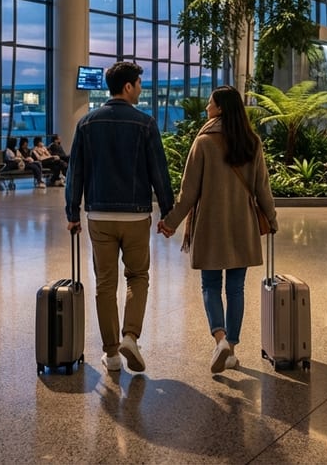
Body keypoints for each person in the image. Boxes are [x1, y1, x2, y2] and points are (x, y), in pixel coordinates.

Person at [158, 86, 277, 373]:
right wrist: (271, 219)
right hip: (242, 224)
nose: (207, 108)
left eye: (210, 103)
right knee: (235, 288)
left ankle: (220, 339)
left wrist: (171, 222)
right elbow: (262, 187)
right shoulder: (252, 141)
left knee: (211, 285)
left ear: (220, 108)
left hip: (210, 225)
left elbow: (189, 192)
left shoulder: (204, 142)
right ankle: (231, 349)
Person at [65, 61, 174, 374]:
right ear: (128, 87)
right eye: (139, 83)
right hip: (136, 216)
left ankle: (112, 355)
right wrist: (168, 213)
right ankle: (130, 336)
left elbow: (76, 172)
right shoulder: (145, 123)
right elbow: (159, 172)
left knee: (105, 285)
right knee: (138, 277)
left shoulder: (86, 123)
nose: (140, 89)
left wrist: (73, 212)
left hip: (99, 216)